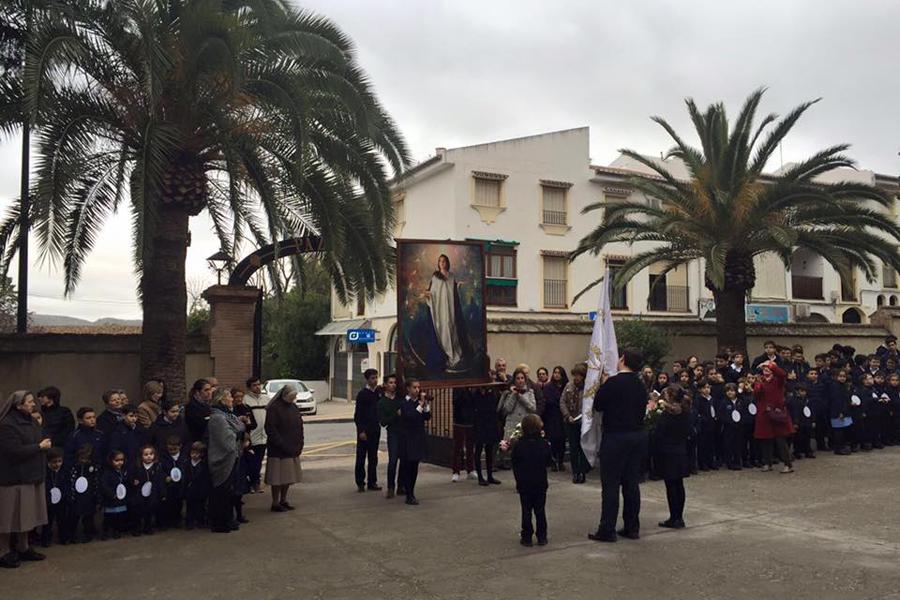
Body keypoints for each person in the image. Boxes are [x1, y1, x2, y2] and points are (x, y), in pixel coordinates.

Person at [588, 349, 648, 543]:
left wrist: (604, 385)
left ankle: (607, 529)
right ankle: (632, 527)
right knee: (631, 483)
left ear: (622, 360)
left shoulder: (613, 383)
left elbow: (598, 404)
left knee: (611, 484)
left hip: (616, 436)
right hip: (636, 436)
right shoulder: (640, 385)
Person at [0, 391, 51, 568]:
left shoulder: (31, 420)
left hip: (32, 476)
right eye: (29, 402)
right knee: (8, 518)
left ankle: (23, 547)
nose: (33, 405)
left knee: (26, 516)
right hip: (14, 479)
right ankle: (3, 551)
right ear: (18, 405)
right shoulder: (7, 425)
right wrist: (39, 446)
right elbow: (12, 452)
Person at [654, 385, 692, 529]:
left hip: (668, 451)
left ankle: (674, 517)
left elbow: (659, 432)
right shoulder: (686, 411)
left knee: (671, 486)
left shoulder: (668, 414)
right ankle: (679, 517)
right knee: (679, 484)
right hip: (681, 449)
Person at [207, 389, 245, 533]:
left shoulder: (227, 415)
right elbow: (226, 440)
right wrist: (236, 435)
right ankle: (220, 522)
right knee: (221, 493)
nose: (232, 399)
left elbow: (240, 427)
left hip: (231, 458)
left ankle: (228, 519)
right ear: (222, 400)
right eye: (229, 397)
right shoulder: (218, 418)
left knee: (229, 492)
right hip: (222, 460)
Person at [511, 414, 551, 547]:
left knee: (526, 510)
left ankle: (527, 536)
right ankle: (542, 536)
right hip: (540, 482)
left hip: (524, 482)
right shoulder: (543, 444)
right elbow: (548, 461)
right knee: (540, 510)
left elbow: (514, 462)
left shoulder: (519, 445)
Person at [265, 385, 304, 513]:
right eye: (292, 396)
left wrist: (300, 443)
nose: (294, 398)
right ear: (285, 395)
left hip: (292, 447)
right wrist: (281, 444)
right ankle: (275, 502)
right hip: (278, 449)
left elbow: (300, 425)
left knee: (288, 477)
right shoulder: (274, 408)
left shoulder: (293, 407)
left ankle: (284, 499)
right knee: (277, 478)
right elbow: (270, 429)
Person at [426, 253, 466, 370]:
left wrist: (458, 286)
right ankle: (447, 355)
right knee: (443, 330)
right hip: (440, 309)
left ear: (447, 263)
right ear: (438, 264)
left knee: (452, 330)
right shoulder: (436, 277)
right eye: (440, 261)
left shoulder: (451, 276)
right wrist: (428, 294)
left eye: (444, 261)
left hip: (450, 308)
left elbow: (453, 290)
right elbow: (432, 292)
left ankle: (454, 356)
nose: (442, 263)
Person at [753, 361, 794, 473]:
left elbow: (782, 374)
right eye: (764, 368)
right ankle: (767, 462)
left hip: (777, 413)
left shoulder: (777, 381)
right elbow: (756, 394)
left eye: (768, 368)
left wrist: (771, 364)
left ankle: (787, 464)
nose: (765, 369)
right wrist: (758, 384)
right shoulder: (760, 381)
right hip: (764, 414)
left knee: (780, 440)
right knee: (765, 440)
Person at [399, 379, 431, 505]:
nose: (417, 390)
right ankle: (408, 493)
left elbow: (427, 417)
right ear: (408, 388)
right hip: (407, 438)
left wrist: (426, 405)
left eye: (418, 387)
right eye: (414, 387)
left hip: (418, 437)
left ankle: (411, 491)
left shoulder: (420, 403)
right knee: (407, 466)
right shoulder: (404, 402)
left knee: (414, 467)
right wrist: (421, 405)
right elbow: (410, 416)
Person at [498, 369, 537, 467]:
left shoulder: (530, 392)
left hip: (525, 425)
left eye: (522, 378)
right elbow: (507, 409)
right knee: (514, 452)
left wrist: (521, 397)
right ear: (514, 380)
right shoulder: (509, 393)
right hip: (513, 425)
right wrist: (514, 396)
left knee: (526, 452)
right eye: (518, 378)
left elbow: (533, 408)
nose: (520, 380)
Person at [560, 363, 590, 483]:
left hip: (583, 421)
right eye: (575, 375)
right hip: (570, 421)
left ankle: (582, 472)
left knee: (582, 448)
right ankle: (575, 472)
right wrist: (567, 415)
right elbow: (562, 402)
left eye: (579, 375)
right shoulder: (569, 386)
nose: (576, 378)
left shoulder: (588, 388)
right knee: (573, 448)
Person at [65, 443, 100, 543]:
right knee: (74, 516)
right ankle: (71, 535)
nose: (84, 460)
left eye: (87, 458)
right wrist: (70, 495)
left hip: (89, 495)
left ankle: (88, 534)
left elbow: (95, 481)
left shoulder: (93, 467)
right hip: (76, 495)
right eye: (82, 458)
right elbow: (70, 481)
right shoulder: (73, 467)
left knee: (88, 516)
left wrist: (96, 496)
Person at [354, 369, 382, 492]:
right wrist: (361, 431)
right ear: (367, 379)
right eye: (372, 378)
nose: (375, 380)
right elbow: (358, 415)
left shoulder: (378, 393)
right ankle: (360, 482)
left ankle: (372, 481)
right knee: (361, 457)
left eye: (376, 377)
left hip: (375, 429)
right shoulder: (362, 394)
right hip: (365, 430)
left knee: (373, 457)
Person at [129, 444, 165, 536]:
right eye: (146, 454)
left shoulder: (157, 467)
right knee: (138, 511)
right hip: (139, 493)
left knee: (149, 510)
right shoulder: (137, 466)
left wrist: (162, 493)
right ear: (141, 456)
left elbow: (160, 481)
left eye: (151, 454)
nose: (149, 456)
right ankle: (137, 527)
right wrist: (133, 481)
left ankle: (148, 527)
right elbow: (131, 477)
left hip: (152, 493)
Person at [378, 374, 403, 498]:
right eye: (390, 383)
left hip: (403, 432)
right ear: (385, 385)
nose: (393, 385)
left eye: (394, 383)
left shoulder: (399, 398)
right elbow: (383, 422)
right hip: (393, 432)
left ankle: (401, 486)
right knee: (393, 461)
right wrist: (395, 414)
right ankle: (390, 487)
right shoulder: (382, 402)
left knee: (404, 460)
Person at [243, 377, 270, 494]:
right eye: (254, 385)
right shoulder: (246, 400)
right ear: (249, 387)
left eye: (259, 384)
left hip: (263, 437)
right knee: (251, 462)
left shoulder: (266, 399)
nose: (258, 387)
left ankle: (256, 483)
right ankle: (250, 483)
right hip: (251, 437)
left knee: (258, 462)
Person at [472, 386, 501, 486]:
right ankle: (480, 476)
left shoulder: (492, 392)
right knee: (479, 450)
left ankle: (490, 475)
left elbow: (495, 406)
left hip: (490, 423)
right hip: (479, 424)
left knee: (489, 449)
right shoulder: (475, 393)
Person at [158, 436, 189, 530]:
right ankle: (166, 522)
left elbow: (187, 470)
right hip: (168, 486)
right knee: (167, 504)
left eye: (174, 449)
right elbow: (160, 471)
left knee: (178, 504)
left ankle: (177, 520)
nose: (172, 451)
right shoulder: (163, 458)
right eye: (170, 449)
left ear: (180, 446)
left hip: (180, 485)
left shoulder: (184, 458)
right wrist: (165, 477)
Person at [542, 366, 568, 472]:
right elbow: (548, 400)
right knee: (553, 439)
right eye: (555, 372)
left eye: (558, 373)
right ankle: (552, 461)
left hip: (562, 416)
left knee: (561, 440)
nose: (556, 374)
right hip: (551, 416)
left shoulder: (566, 386)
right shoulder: (549, 387)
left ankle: (560, 461)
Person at [98, 450, 128, 540]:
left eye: (121, 460)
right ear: (111, 461)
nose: (119, 462)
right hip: (110, 500)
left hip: (121, 499)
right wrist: (111, 494)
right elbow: (103, 485)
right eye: (117, 460)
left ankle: (117, 531)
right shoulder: (107, 473)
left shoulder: (123, 472)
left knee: (119, 517)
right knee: (108, 518)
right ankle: (105, 532)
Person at [41, 448, 67, 547]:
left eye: (60, 461)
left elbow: (66, 485)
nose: (57, 464)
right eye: (54, 462)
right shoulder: (45, 472)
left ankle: (63, 537)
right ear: (48, 461)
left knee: (62, 520)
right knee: (48, 521)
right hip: (49, 501)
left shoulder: (63, 471)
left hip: (61, 500)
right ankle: (46, 539)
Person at [450, 387, 476, 482]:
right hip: (459, 420)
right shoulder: (457, 388)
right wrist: (464, 391)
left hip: (470, 420)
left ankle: (471, 470)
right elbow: (455, 401)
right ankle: (456, 471)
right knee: (458, 447)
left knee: (470, 446)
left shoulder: (473, 388)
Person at [827, 369, 854, 455]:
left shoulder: (844, 386)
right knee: (838, 431)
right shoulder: (834, 386)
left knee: (845, 430)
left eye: (844, 376)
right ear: (835, 377)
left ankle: (844, 446)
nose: (842, 378)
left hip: (845, 411)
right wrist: (840, 412)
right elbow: (836, 401)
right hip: (837, 412)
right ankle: (838, 448)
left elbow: (845, 398)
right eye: (840, 376)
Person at [184, 442, 210, 530]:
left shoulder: (204, 464)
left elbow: (205, 478)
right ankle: (189, 522)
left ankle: (200, 521)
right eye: (192, 453)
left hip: (200, 489)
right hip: (190, 489)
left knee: (200, 506)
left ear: (201, 454)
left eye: (197, 453)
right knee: (190, 507)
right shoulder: (187, 463)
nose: (194, 455)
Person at [788, 384, 816, 459]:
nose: (803, 393)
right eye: (802, 391)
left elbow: (811, 410)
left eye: (805, 391)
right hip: (799, 421)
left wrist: (813, 420)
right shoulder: (793, 400)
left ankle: (808, 451)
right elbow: (794, 412)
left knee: (807, 437)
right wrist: (795, 422)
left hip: (807, 421)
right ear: (797, 391)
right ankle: (797, 452)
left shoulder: (808, 400)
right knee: (798, 438)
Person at [185, 379, 214, 443]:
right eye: (206, 390)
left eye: (210, 389)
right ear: (197, 392)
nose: (210, 392)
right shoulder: (192, 407)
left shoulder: (206, 405)